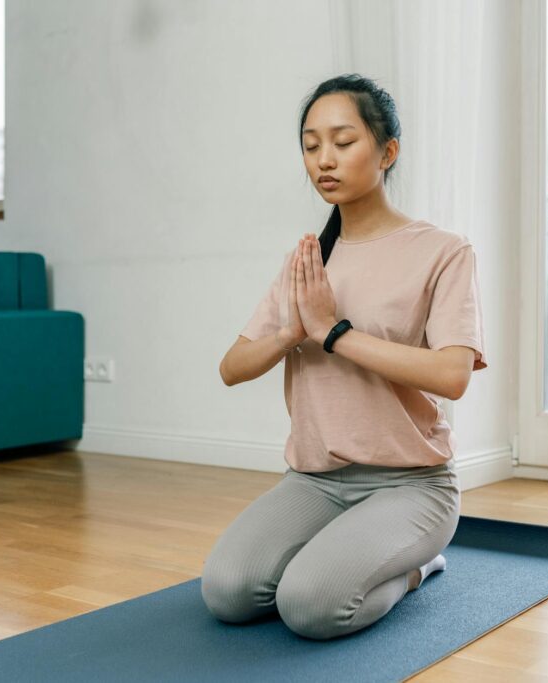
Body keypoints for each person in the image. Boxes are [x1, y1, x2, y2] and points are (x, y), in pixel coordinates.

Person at [202, 74, 488, 641]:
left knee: (309, 606)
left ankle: (417, 565)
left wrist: (334, 333)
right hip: (314, 481)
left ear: (387, 151)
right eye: (311, 146)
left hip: (412, 485)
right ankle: (342, 553)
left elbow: (452, 376)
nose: (323, 160)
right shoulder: (310, 259)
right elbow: (231, 368)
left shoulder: (443, 251)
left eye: (342, 141)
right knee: (227, 592)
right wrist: (293, 332)